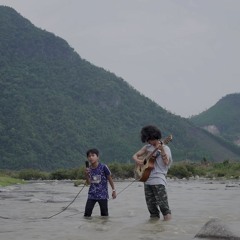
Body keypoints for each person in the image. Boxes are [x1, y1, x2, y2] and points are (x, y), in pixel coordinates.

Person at [132, 125, 172, 221]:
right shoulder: (147, 147)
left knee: (164, 208)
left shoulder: (165, 148)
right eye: (147, 140)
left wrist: (161, 150)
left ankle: (167, 228)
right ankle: (153, 230)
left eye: (149, 139)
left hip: (158, 180)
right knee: (152, 209)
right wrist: (138, 161)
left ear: (154, 136)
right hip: (147, 180)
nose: (148, 142)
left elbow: (166, 163)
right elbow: (135, 155)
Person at [84, 148, 116, 217]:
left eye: (93, 155)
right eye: (89, 156)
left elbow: (110, 179)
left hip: (102, 195)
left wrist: (113, 190)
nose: (91, 157)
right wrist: (86, 175)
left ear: (97, 157)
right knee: (87, 215)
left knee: (104, 216)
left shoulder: (104, 167)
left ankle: (104, 227)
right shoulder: (88, 169)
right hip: (92, 195)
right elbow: (89, 183)